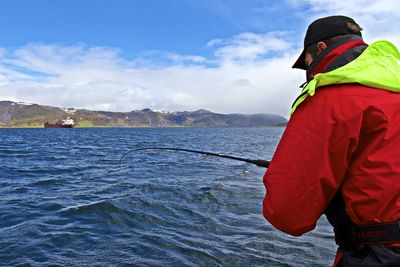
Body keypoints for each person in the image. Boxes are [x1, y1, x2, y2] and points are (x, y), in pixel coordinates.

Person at [262, 15, 400, 266]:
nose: (308, 70)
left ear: (320, 48)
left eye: (307, 61)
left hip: (379, 254)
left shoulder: (328, 98)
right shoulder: (394, 86)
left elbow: (287, 214)